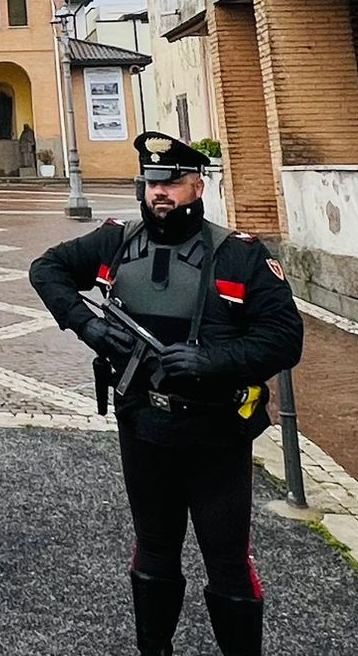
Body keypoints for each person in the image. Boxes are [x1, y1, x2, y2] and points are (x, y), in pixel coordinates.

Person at [29, 132, 304, 656]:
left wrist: (213, 361)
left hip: (216, 435)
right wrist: (86, 325)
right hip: (143, 428)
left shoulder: (239, 256)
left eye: (172, 181)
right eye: (152, 181)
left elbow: (284, 338)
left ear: (197, 185)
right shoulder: (118, 239)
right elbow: (47, 270)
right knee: (154, 552)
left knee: (226, 561)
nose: (160, 192)